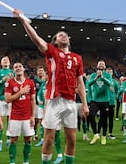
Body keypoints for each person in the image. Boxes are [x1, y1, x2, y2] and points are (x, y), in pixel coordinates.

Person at [13, 9, 89, 164]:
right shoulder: (52, 52)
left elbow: (80, 82)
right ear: (55, 41)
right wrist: (22, 20)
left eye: (65, 34)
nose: (64, 36)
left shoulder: (77, 58)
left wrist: (85, 104)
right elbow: (35, 38)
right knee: (48, 140)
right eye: (60, 35)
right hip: (54, 101)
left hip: (70, 102)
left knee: (72, 140)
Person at [5, 62, 36, 164]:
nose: (18, 68)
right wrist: (20, 92)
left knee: (29, 140)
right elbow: (8, 99)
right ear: (13, 70)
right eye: (15, 67)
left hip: (27, 117)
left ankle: (26, 162)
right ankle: (12, 162)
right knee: (13, 140)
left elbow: (32, 100)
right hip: (15, 117)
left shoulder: (30, 82)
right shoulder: (10, 83)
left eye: (20, 67)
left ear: (24, 69)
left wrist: (32, 116)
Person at [88, 60, 112, 145]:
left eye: (103, 64)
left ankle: (104, 136)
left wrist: (102, 77)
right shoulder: (93, 75)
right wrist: (96, 78)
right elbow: (89, 83)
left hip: (105, 100)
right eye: (100, 64)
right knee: (91, 116)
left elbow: (110, 84)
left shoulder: (108, 75)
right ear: (97, 66)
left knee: (104, 119)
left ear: (105, 67)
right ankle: (95, 134)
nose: (101, 65)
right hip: (95, 100)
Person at [0, 56, 14, 151]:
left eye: (7, 60)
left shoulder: (13, 72)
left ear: (9, 62)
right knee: (0, 120)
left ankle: (9, 138)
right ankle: (0, 141)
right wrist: (3, 80)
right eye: (3, 60)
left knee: (10, 120)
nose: (5, 61)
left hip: (10, 99)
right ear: (1, 63)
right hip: (0, 99)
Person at [33, 65, 47, 145]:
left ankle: (44, 137)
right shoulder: (34, 81)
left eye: (42, 71)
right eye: (39, 71)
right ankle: (35, 134)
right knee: (36, 121)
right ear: (37, 72)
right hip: (36, 103)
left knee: (42, 120)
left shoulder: (45, 82)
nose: (40, 72)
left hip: (44, 104)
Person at [105, 67, 119, 140]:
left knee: (111, 119)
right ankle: (103, 133)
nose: (109, 73)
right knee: (103, 119)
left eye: (111, 72)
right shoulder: (103, 81)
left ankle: (110, 133)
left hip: (111, 102)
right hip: (104, 102)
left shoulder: (114, 82)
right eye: (108, 72)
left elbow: (117, 90)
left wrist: (115, 96)